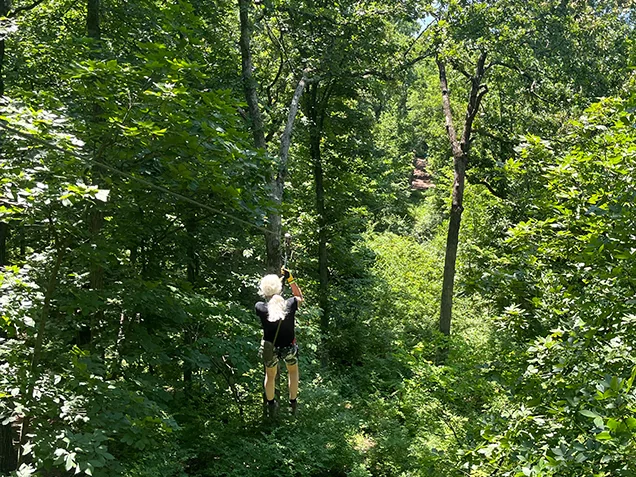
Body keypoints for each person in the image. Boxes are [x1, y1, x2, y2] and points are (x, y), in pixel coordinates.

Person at [256, 268, 303, 417]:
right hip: (289, 346)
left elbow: (269, 305)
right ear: (280, 289)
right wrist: (290, 279)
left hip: (271, 348)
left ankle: (271, 404)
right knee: (293, 371)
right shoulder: (290, 304)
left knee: (270, 376)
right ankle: (293, 402)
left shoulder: (260, 307)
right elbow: (299, 296)